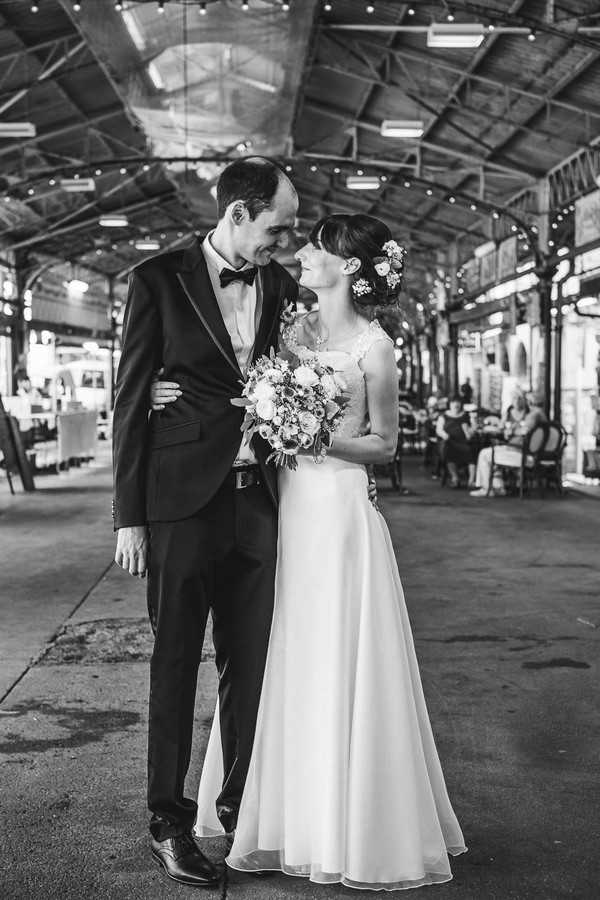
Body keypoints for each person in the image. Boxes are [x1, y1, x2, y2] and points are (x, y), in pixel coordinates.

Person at [153, 214, 466, 890]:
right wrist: (159, 389)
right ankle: (278, 814)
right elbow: (223, 373)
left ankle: (345, 824)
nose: (303, 253)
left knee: (338, 658)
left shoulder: (375, 347)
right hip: (283, 509)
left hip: (340, 514)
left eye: (318, 248)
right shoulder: (292, 331)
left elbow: (384, 444)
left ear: (350, 268)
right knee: (281, 659)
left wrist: (310, 438)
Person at [112, 157, 299, 887]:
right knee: (174, 664)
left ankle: (240, 809)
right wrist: (131, 517)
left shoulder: (281, 285)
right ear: (237, 215)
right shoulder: (156, 279)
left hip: (259, 502)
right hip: (179, 505)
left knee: (250, 667)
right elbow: (131, 399)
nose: (280, 244)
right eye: (275, 230)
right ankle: (168, 818)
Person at [470, 391, 547, 497]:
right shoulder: (541, 416)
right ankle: (498, 487)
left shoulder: (533, 415)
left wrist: (512, 431)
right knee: (492, 452)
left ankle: (487, 488)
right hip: (525, 452)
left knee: (484, 454)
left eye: (527, 401)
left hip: (523, 455)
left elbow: (524, 431)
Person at [435, 396, 476, 488]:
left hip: (464, 442)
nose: (456, 405)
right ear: (450, 405)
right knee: (449, 452)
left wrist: (471, 428)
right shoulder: (444, 416)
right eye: (454, 403)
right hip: (450, 441)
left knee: (472, 452)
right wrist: (445, 435)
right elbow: (439, 430)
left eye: (458, 403)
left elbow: (472, 430)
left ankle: (471, 480)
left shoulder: (465, 416)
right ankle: (455, 478)